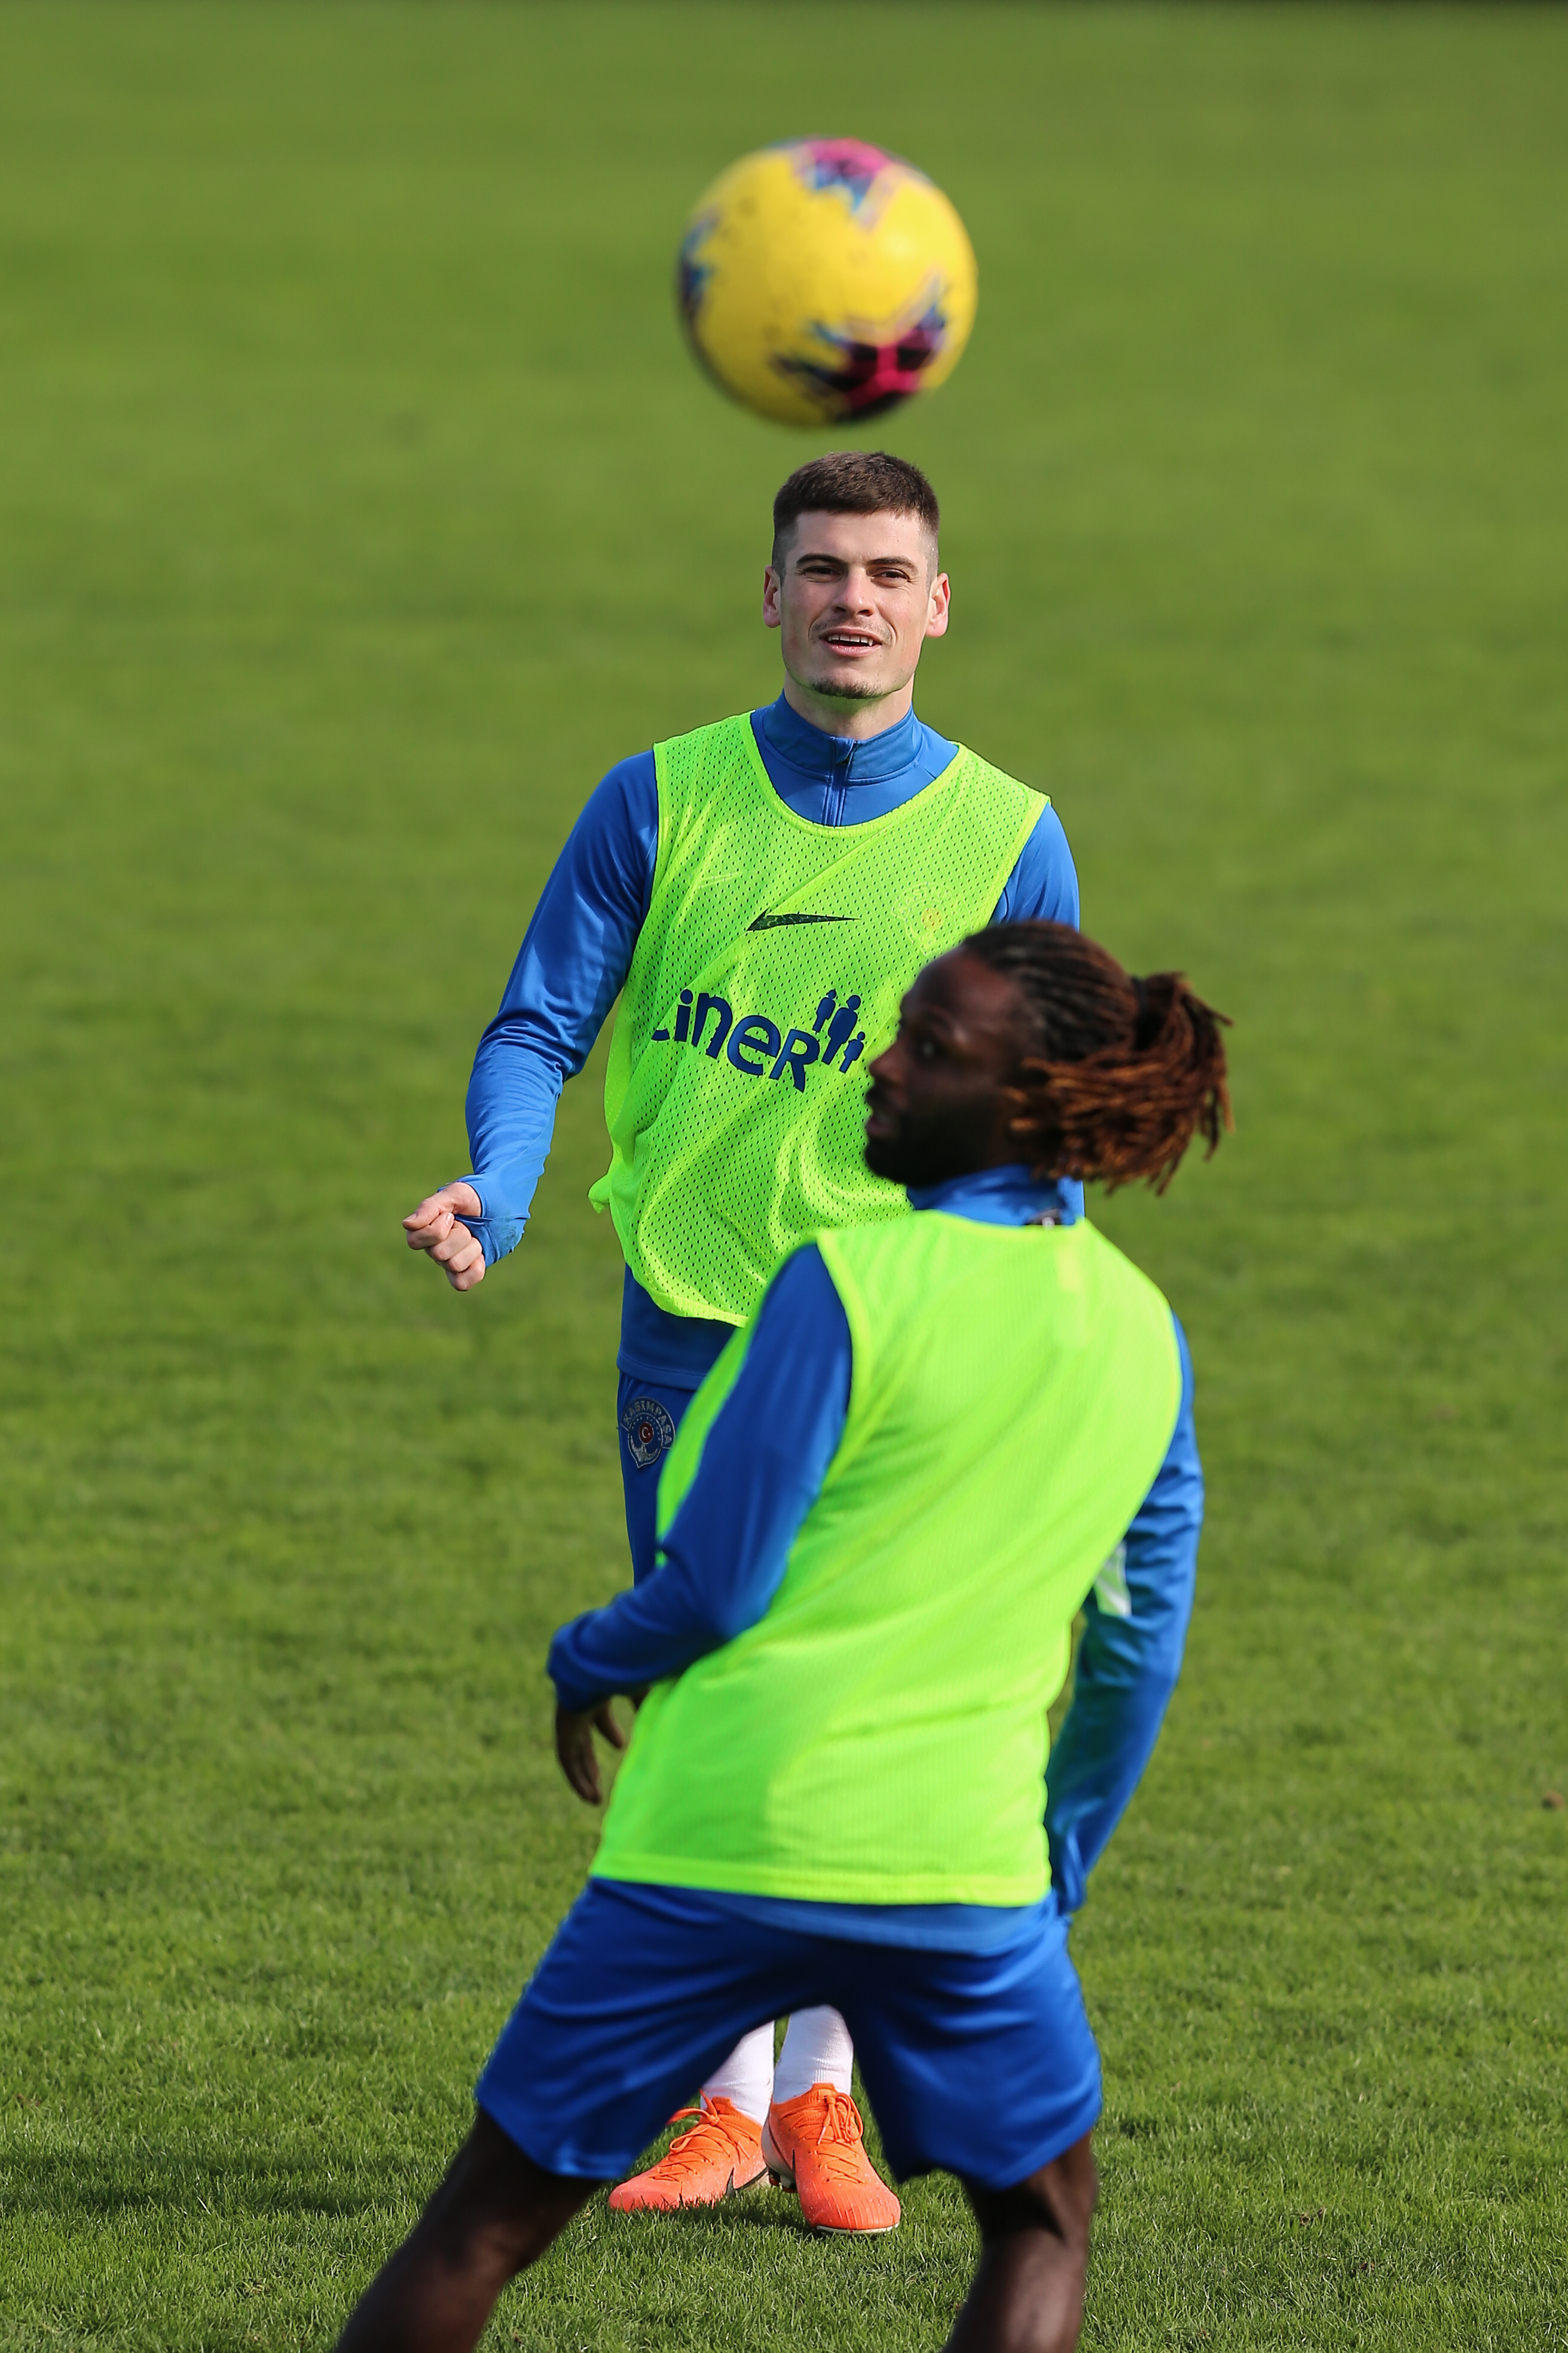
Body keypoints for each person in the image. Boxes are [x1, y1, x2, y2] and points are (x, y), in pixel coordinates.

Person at [398, 450, 1172, 2227]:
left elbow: (1052, 1098)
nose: (853, 602)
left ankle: (821, 2097)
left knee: (857, 1699)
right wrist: (502, 1189)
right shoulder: (658, 799)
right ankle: (729, 2103)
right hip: (691, 1324)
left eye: (888, 574)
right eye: (822, 569)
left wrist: (1046, 1302)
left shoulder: (1009, 833)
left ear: (939, 606)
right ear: (769, 595)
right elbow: (541, 1026)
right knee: (709, 1690)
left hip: (904, 1343)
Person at [340, 920, 1230, 2353]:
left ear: (1027, 1103)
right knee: (1042, 2225)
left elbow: (714, 1587)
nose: (878, 1066)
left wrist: (585, 1659)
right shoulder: (1145, 1335)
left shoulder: (842, 1284)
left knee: (480, 2232)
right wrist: (1053, 1860)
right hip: (959, 1869)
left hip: (717, 1838)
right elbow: (1138, 1656)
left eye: (929, 1048)